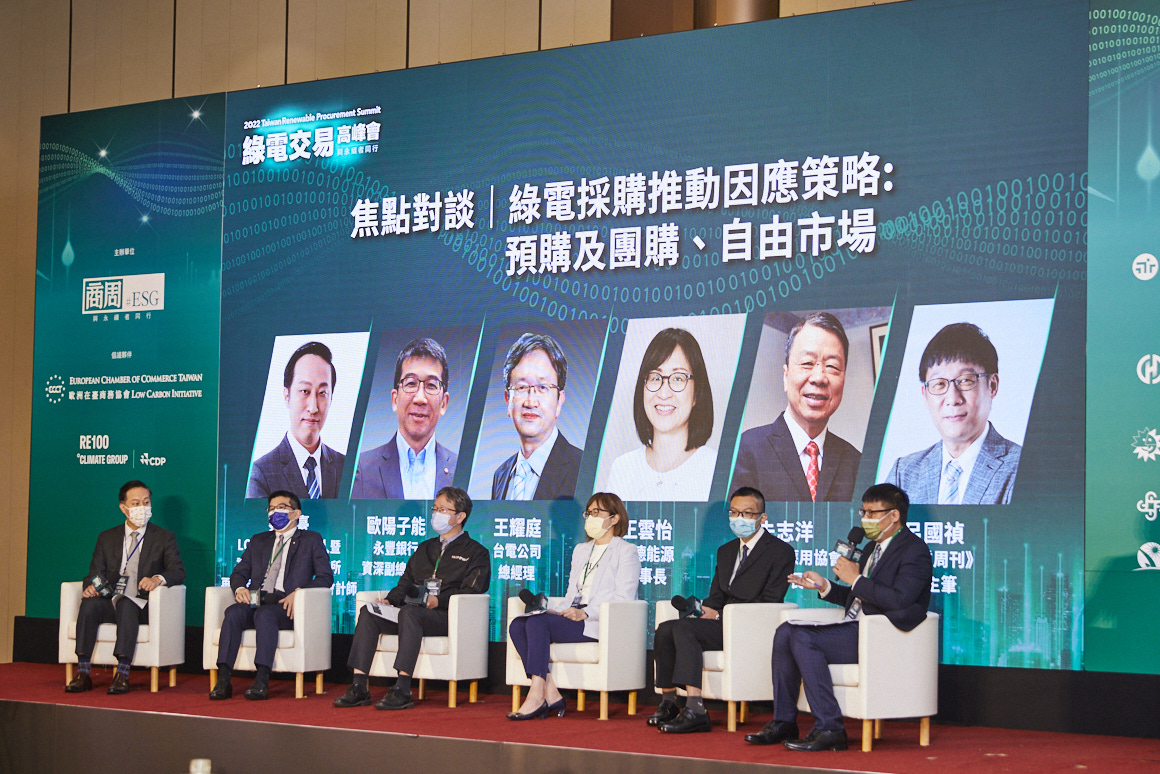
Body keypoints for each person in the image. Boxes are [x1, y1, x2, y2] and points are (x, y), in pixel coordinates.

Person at [744, 483, 932, 751]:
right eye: (863, 512)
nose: (866, 519)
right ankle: (784, 721)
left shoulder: (914, 550)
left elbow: (900, 600)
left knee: (804, 638)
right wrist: (824, 587)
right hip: (854, 626)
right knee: (785, 631)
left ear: (894, 515)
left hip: (882, 634)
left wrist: (856, 579)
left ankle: (830, 728)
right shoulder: (872, 548)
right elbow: (858, 596)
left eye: (872, 513)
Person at [650, 486, 795, 733]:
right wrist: (704, 609)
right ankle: (669, 701)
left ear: (762, 517)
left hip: (750, 627)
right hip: (721, 624)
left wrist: (720, 615)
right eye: (734, 512)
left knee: (685, 629)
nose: (739, 519)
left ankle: (695, 708)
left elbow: (771, 600)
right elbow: (717, 595)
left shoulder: (780, 551)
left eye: (747, 513)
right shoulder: (726, 551)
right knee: (665, 629)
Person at [333, 486, 490, 710]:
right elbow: (405, 582)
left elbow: (472, 592)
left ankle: (403, 688)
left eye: (443, 510)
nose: (436, 514)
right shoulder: (425, 548)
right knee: (369, 611)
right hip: (411, 613)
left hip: (445, 617)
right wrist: (389, 601)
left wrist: (439, 601)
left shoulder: (476, 552)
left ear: (460, 516)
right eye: (435, 509)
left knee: (410, 612)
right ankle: (358, 686)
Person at [507, 492, 640, 719]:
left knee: (536, 624)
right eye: (588, 513)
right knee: (518, 624)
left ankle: (537, 695)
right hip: (573, 614)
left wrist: (585, 613)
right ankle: (551, 692)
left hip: (597, 622)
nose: (590, 517)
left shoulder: (625, 551)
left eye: (597, 512)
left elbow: (624, 599)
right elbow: (572, 593)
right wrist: (557, 611)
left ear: (615, 518)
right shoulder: (581, 550)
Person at [209, 490, 334, 700]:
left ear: (296, 513)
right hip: (256, 598)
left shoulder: (310, 540)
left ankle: (261, 680)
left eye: (281, 508)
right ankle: (223, 680)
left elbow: (325, 577)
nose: (275, 512)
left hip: (284, 604)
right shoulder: (259, 540)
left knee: (265, 615)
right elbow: (239, 573)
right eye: (272, 508)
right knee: (232, 613)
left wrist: (299, 593)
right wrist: (240, 589)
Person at [66, 480, 185, 695]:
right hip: (110, 600)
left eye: (146, 502)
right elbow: (94, 573)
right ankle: (83, 672)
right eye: (136, 503)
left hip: (141, 604)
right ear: (124, 508)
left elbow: (178, 571)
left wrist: (157, 579)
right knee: (89, 605)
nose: (142, 508)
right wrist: (91, 587)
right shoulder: (107, 537)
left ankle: (122, 673)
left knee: (126, 605)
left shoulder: (164, 537)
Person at [886, 322, 1021, 504]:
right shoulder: (903, 473)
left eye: (965, 380)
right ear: (925, 395)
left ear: (992, 386)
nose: (952, 398)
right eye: (939, 384)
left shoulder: (1022, 468)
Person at [733, 312, 861, 503]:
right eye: (807, 363)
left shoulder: (856, 462)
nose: (819, 377)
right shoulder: (746, 449)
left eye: (832, 366)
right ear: (786, 376)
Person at [606, 328, 718, 501]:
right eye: (655, 377)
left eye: (678, 378)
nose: (664, 394)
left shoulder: (715, 469)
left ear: (697, 394)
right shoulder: (623, 469)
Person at [352, 338, 457, 499]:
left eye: (431, 385)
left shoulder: (460, 469)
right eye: (411, 383)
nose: (420, 398)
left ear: (444, 403)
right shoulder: (360, 469)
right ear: (395, 399)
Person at [248, 340, 345, 499]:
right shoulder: (261, 475)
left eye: (322, 393)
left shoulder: (347, 468)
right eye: (305, 391)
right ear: (287, 396)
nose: (313, 408)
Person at [491, 333, 582, 501]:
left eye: (542, 387)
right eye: (521, 387)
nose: (530, 402)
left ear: (559, 401)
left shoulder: (583, 469)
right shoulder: (501, 475)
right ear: (507, 400)